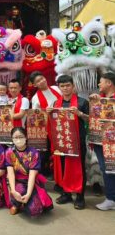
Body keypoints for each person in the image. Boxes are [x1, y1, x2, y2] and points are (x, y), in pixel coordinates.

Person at [48, 75, 88, 210]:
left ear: (73, 86)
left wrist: (80, 113)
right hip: (62, 141)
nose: (65, 88)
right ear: (59, 87)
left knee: (79, 169)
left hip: (77, 141)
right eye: (62, 86)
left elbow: (90, 120)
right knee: (64, 167)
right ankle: (66, 194)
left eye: (67, 85)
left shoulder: (82, 102)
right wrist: (49, 112)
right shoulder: (55, 103)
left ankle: (80, 196)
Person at [6, 127, 53, 217]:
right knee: (18, 191)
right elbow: (10, 173)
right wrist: (12, 190)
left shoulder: (34, 152)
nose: (18, 140)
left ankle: (25, 201)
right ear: (12, 139)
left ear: (26, 137)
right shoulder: (9, 152)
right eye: (15, 137)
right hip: (17, 181)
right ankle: (16, 204)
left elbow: (32, 175)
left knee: (35, 210)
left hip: (31, 181)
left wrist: (28, 194)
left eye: (21, 137)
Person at [90, 72, 115, 211]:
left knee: (110, 169)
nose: (99, 84)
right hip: (100, 142)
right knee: (106, 169)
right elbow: (94, 120)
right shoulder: (101, 99)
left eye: (101, 81)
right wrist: (95, 103)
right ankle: (111, 198)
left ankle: (111, 199)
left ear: (109, 83)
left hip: (112, 141)